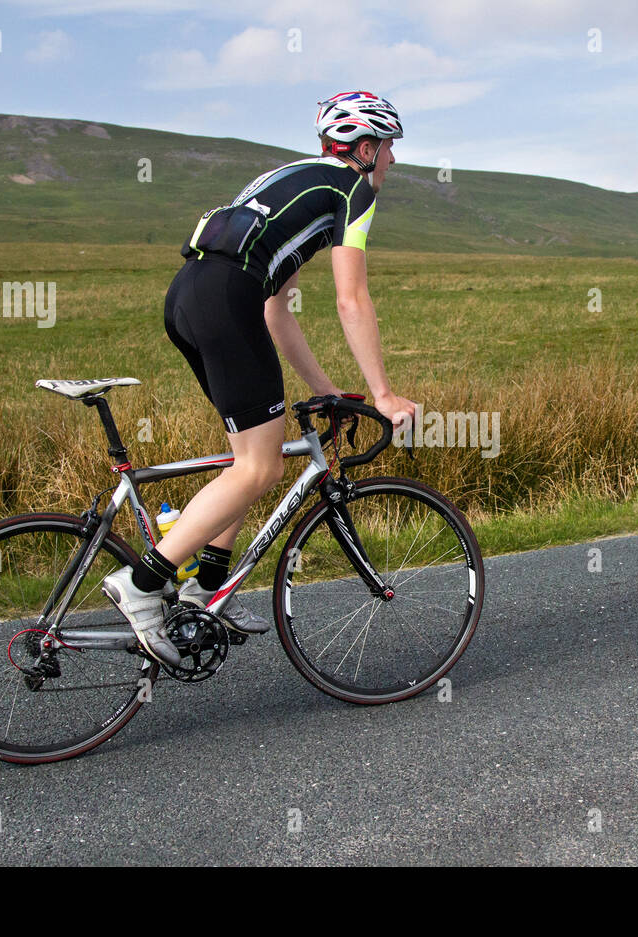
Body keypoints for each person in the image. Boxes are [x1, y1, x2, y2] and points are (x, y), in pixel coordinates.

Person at [102, 91, 418, 666]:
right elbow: (352, 297)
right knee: (261, 466)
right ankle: (144, 585)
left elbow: (277, 310)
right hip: (225, 304)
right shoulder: (353, 190)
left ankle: (205, 591)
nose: (393, 161)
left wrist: (324, 390)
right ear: (366, 150)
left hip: (190, 298)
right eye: (390, 147)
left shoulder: (292, 177)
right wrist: (383, 394)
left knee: (252, 455)